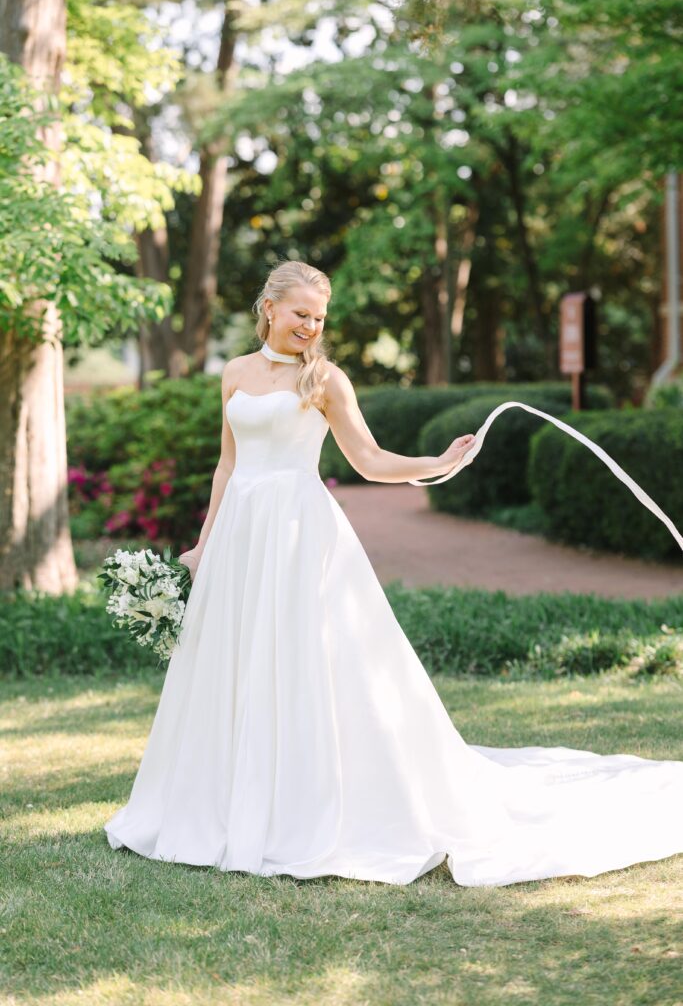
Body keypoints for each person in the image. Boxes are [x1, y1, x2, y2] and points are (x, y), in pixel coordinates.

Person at [104, 259, 683, 886]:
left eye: (319, 318)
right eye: (301, 313)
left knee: (305, 660)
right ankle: (224, 802)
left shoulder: (325, 379)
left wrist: (437, 463)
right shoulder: (235, 373)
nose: (311, 326)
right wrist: (203, 545)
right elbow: (228, 465)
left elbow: (371, 459)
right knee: (237, 661)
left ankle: (305, 806)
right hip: (242, 537)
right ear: (269, 308)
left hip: (298, 534)